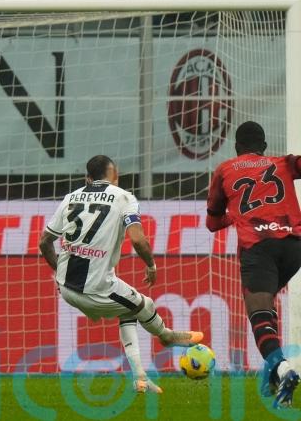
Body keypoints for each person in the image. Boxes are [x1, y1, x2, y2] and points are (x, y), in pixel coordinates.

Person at [39, 155, 203, 394]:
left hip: (65, 288)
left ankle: (140, 379)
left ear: (87, 177)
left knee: (128, 310)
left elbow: (44, 242)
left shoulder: (70, 198)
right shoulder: (124, 197)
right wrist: (151, 265)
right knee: (145, 305)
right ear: (114, 176)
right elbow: (137, 239)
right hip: (96, 288)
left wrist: (60, 272)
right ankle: (166, 335)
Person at [206, 121, 301, 408]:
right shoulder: (283, 163)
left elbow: (212, 223)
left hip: (258, 247)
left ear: (236, 147)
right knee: (267, 306)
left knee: (258, 313)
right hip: (294, 246)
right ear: (264, 146)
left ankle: (282, 369)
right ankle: (273, 376)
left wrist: (234, 214)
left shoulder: (224, 170)